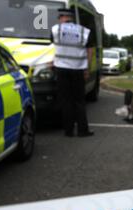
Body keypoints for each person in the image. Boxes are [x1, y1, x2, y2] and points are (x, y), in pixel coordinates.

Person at [51, 8, 94, 137]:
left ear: (62, 17)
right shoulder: (84, 31)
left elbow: (54, 47)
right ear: (72, 18)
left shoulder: (55, 30)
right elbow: (90, 50)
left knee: (66, 101)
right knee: (79, 101)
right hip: (78, 69)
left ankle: (68, 130)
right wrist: (87, 68)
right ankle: (82, 130)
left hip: (61, 70)